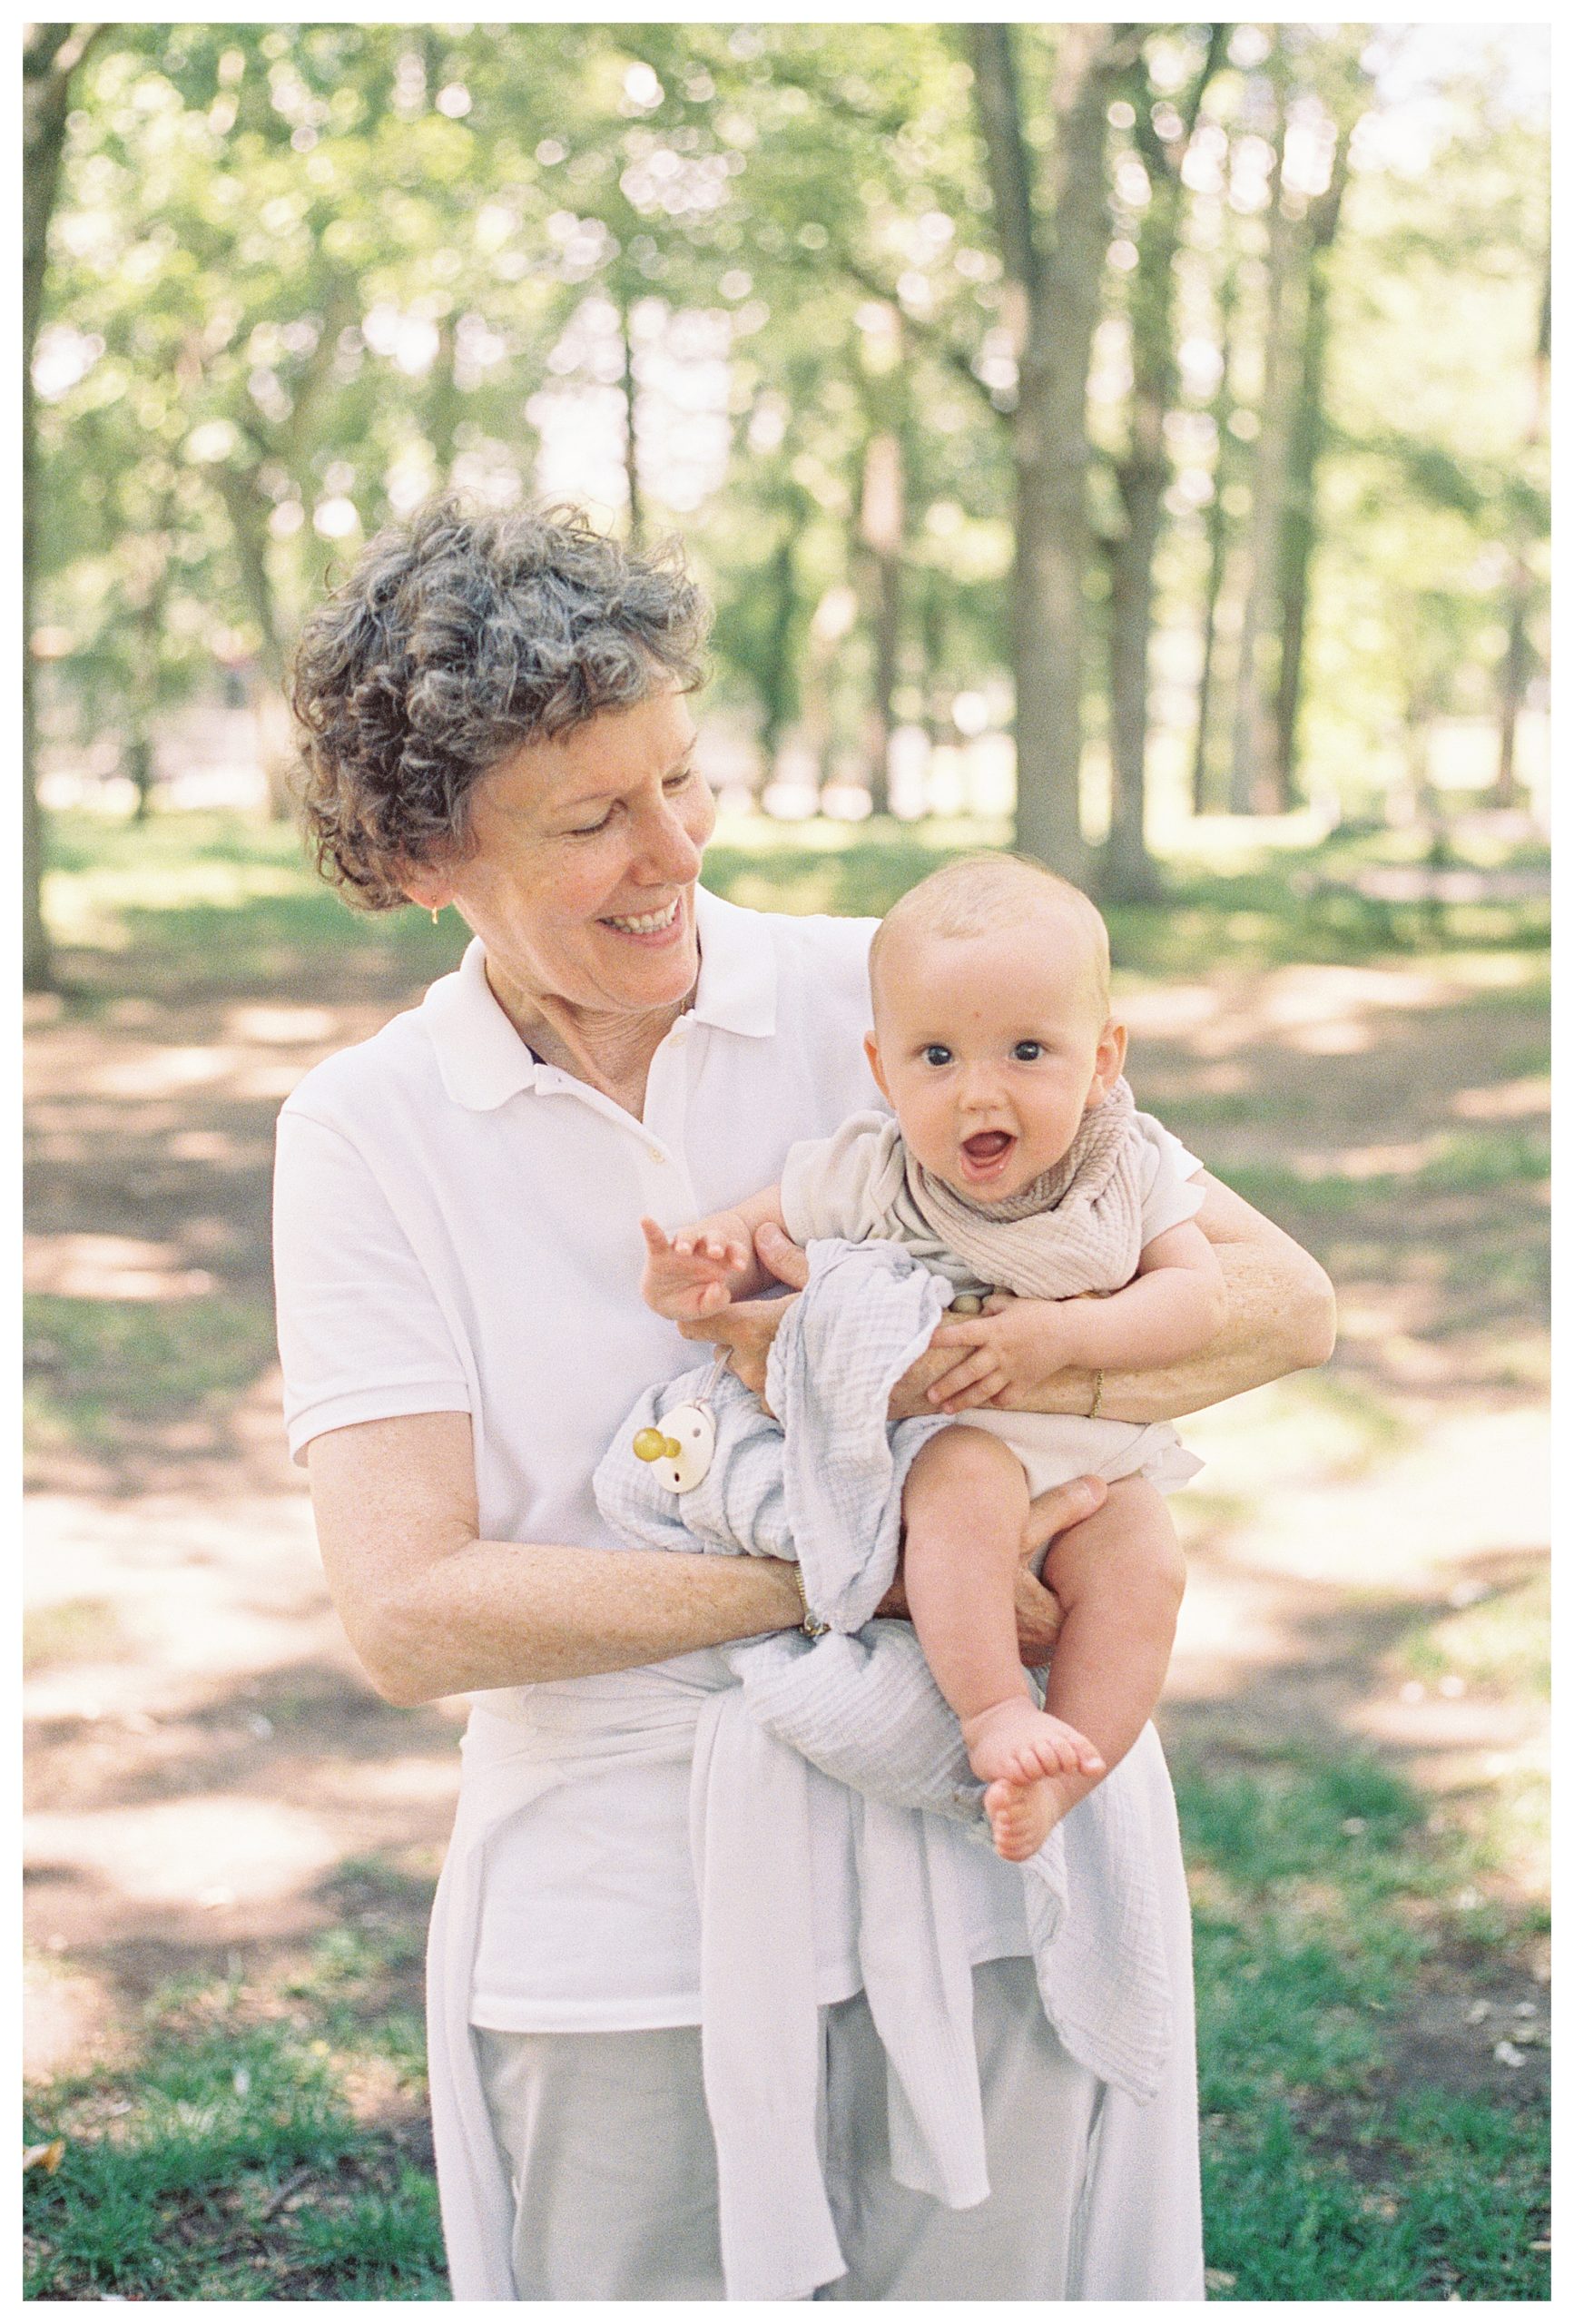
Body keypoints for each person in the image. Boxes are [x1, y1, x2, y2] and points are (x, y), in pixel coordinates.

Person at [274, 499, 1336, 2301]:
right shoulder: (369, 1132)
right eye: (595, 816)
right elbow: (410, 1611)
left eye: (682, 777)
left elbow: (1280, 1300)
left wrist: (1022, 1390)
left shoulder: (894, 991)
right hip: (621, 1893)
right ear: (429, 850)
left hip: (981, 1828)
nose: (671, 848)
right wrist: (876, 1570)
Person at [638, 852, 1225, 1864]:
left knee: (1146, 1570)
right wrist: (704, 1266)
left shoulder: (1129, 1163)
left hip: (1098, 1458)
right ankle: (995, 1712)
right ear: (882, 1068)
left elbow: (1200, 1295)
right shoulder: (875, 1170)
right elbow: (751, 1225)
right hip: (963, 1438)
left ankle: (1072, 1774)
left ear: (1103, 1058)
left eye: (1028, 1051)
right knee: (960, 1489)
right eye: (938, 1057)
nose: (977, 1092)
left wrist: (1066, 1335)